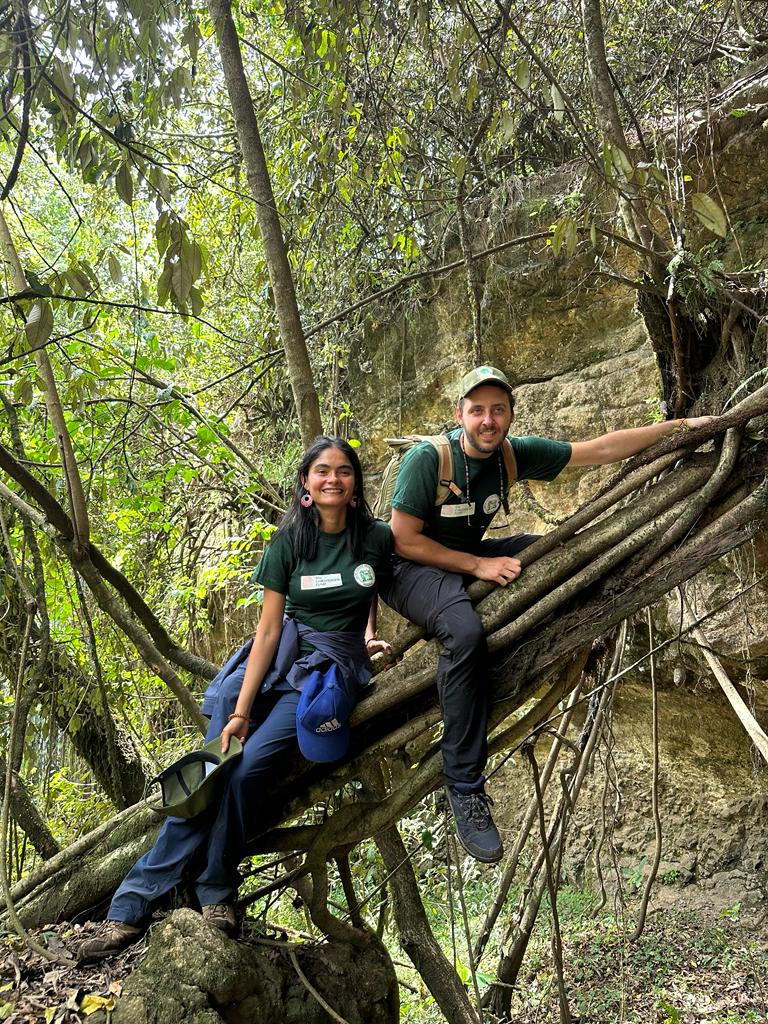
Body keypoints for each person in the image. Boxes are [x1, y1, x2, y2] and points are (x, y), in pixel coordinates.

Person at [380, 364, 715, 864]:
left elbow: (599, 449)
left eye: (498, 410)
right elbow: (403, 538)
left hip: (464, 560)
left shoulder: (511, 456)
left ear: (511, 414)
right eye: (477, 411)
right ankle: (464, 786)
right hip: (407, 570)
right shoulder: (430, 460)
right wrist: (478, 563)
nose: (488, 421)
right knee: (464, 632)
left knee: (568, 554)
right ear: (460, 415)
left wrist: (685, 428)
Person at [78, 437, 392, 962]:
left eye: (342, 470)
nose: (332, 478)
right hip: (276, 659)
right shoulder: (289, 540)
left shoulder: (376, 538)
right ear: (306, 484)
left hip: (323, 674)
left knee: (246, 774)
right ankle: (127, 911)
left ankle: (216, 889)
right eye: (321, 471)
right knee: (211, 774)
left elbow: (372, 589)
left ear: (355, 483)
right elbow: (268, 631)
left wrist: (364, 634)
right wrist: (242, 710)